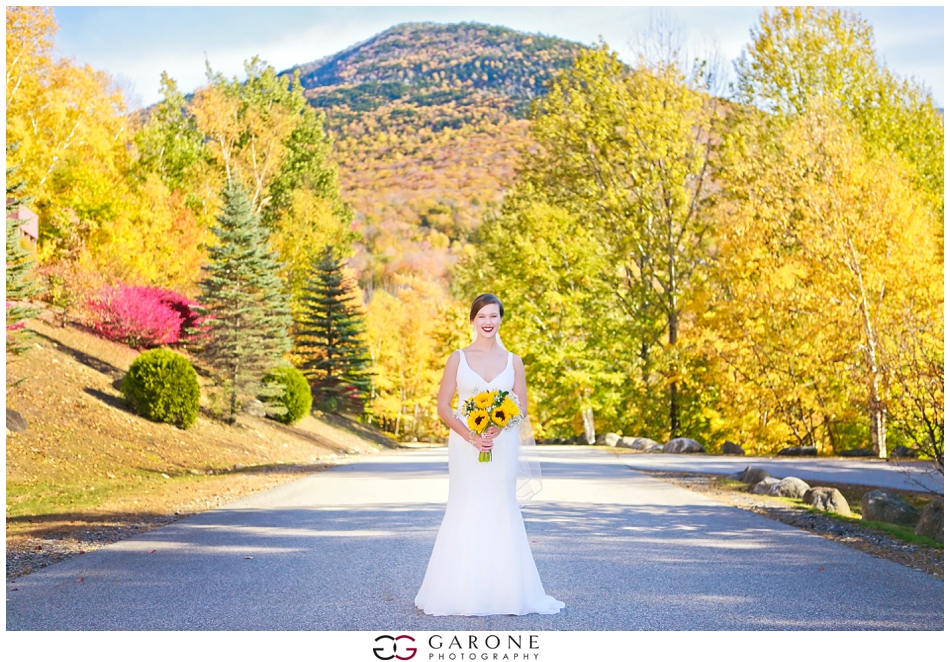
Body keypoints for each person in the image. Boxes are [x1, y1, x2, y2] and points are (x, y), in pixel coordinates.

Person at [414, 293, 565, 616]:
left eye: (493, 316)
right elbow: (443, 406)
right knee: (465, 505)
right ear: (472, 320)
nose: (487, 322)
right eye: (482, 316)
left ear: (500, 320)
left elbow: (521, 405)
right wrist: (470, 435)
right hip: (465, 445)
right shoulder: (458, 357)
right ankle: (458, 591)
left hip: (503, 443)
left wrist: (499, 424)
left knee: (500, 505)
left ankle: (506, 592)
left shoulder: (514, 361)